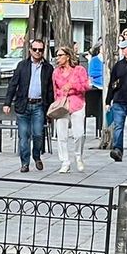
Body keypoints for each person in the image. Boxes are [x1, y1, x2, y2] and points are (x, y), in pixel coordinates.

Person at [3, 38, 53, 172]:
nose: (37, 52)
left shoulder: (48, 68)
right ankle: (25, 163)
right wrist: (7, 103)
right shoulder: (22, 65)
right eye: (35, 49)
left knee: (38, 134)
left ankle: (37, 156)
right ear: (30, 50)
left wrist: (50, 109)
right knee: (23, 136)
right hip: (23, 105)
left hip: (39, 105)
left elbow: (50, 90)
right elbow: (13, 84)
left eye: (40, 50)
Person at [49, 46, 89, 174]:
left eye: (61, 55)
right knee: (61, 134)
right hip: (62, 104)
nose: (58, 58)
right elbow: (55, 90)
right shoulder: (56, 72)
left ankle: (78, 156)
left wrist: (72, 86)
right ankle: (65, 161)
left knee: (79, 134)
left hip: (77, 102)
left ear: (68, 56)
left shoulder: (79, 70)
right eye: (57, 55)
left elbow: (86, 86)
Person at [85, 43, 106, 136]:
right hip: (97, 86)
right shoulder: (94, 60)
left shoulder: (108, 60)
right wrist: (103, 73)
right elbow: (92, 73)